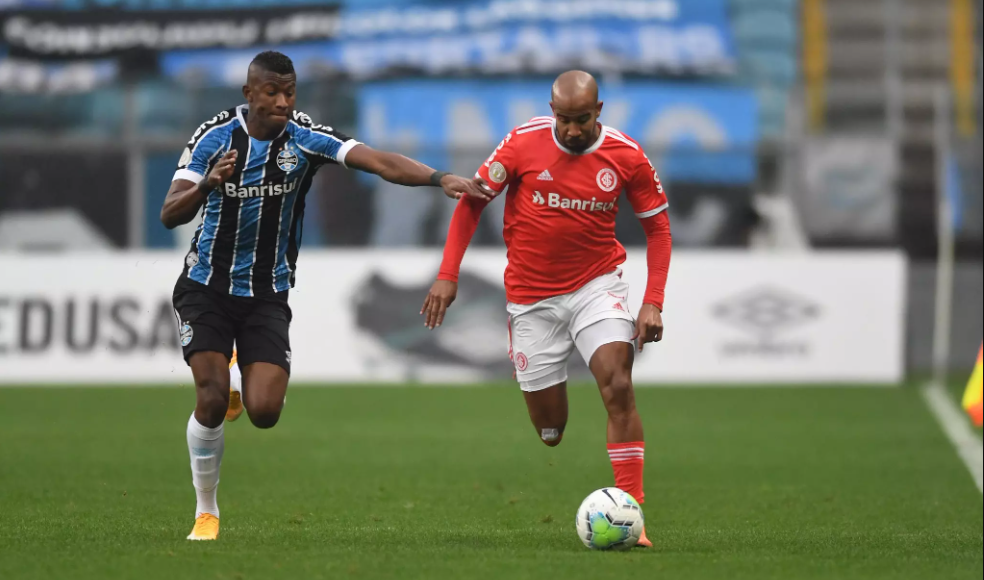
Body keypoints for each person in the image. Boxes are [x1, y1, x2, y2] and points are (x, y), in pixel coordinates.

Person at [162, 50, 490, 541]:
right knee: (210, 399)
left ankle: (238, 375)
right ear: (248, 93)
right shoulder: (214, 138)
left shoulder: (305, 137)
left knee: (265, 412)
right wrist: (210, 183)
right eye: (271, 92)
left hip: (267, 293)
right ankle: (206, 511)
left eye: (289, 92)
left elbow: (378, 161)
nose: (281, 101)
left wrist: (439, 178)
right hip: (205, 286)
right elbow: (170, 213)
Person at [421, 70, 672, 548]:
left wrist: (652, 302)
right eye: (563, 119)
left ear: (599, 112)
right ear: (551, 110)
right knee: (550, 429)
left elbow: (659, 230)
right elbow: (472, 202)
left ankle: (631, 511)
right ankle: (552, 404)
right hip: (531, 300)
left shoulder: (627, 156)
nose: (572, 129)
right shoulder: (521, 143)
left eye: (581, 120)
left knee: (618, 383)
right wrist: (448, 274)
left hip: (597, 285)